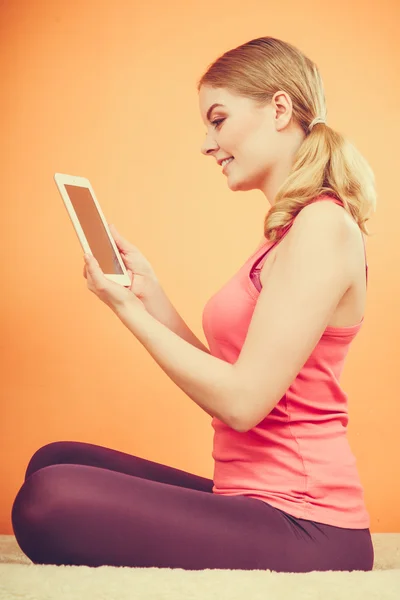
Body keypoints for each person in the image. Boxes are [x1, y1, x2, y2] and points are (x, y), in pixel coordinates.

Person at [11, 36, 376, 572]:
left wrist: (126, 312)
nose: (207, 143)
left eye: (219, 119)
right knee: (54, 460)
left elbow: (241, 403)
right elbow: (231, 380)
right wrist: (149, 293)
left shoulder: (323, 227)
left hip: (308, 523)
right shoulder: (290, 230)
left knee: (50, 499)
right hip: (250, 499)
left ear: (279, 109)